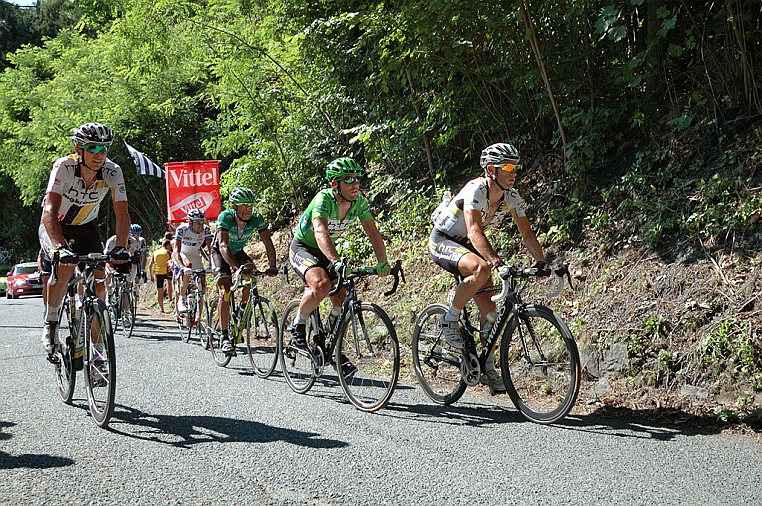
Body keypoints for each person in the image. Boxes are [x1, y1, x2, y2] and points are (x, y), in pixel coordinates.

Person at [428, 142, 548, 394]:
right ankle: (449, 320)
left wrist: (542, 264)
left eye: (515, 166)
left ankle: (488, 367)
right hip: (445, 239)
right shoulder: (475, 190)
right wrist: (497, 262)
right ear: (491, 169)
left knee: (491, 312)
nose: (513, 171)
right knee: (482, 269)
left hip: (469, 245)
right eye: (507, 166)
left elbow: (527, 234)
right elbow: (473, 230)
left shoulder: (511, 196)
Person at [38, 122, 130, 361]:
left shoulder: (113, 171)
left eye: (104, 149)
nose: (99, 155)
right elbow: (49, 209)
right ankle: (51, 324)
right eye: (93, 148)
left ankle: (98, 353)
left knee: (99, 284)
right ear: (78, 148)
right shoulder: (64, 167)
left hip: (86, 227)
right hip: (55, 224)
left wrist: (121, 246)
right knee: (65, 266)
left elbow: (122, 214)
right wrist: (59, 248)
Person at [287, 157, 390, 365]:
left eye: (357, 179)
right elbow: (320, 232)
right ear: (335, 184)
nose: (355, 184)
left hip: (326, 250)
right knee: (321, 284)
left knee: (341, 296)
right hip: (303, 247)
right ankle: (297, 325)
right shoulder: (324, 199)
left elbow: (373, 231)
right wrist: (335, 260)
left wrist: (383, 261)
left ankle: (333, 347)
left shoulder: (358, 202)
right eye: (348, 179)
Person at [210, 187, 278, 356]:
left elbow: (268, 243)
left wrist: (272, 265)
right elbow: (223, 245)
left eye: (251, 205)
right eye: (244, 205)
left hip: (238, 252)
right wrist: (235, 268)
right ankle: (224, 337)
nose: (249, 209)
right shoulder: (225, 217)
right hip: (219, 253)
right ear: (234, 207)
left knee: (252, 272)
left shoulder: (256, 218)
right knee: (225, 290)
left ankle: (242, 307)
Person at [173, 209, 212, 313]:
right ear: (190, 222)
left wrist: (213, 264)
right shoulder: (182, 229)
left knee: (203, 284)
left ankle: (199, 314)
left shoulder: (206, 229)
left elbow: (211, 249)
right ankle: (181, 299)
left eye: (202, 222)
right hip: (182, 254)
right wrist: (182, 267)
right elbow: (176, 251)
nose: (201, 226)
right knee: (188, 266)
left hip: (195, 255)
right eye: (198, 223)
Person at [148, 239, 173, 313]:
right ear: (167, 245)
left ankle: (161, 308)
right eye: (170, 245)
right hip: (168, 272)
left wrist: (151, 276)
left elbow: (150, 265)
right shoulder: (168, 252)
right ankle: (170, 299)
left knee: (160, 291)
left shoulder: (155, 252)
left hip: (158, 273)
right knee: (170, 284)